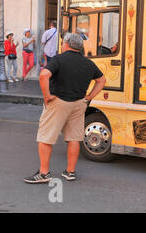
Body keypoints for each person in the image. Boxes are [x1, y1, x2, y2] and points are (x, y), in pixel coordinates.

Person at [23, 33, 106, 184]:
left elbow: (43, 75)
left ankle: (44, 173)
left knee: (45, 137)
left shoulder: (58, 59)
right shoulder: (88, 63)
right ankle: (70, 171)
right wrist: (89, 97)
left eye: (62, 43)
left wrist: (47, 95)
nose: (61, 45)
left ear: (67, 44)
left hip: (59, 102)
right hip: (79, 102)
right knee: (74, 138)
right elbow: (101, 80)